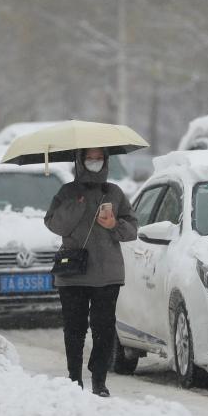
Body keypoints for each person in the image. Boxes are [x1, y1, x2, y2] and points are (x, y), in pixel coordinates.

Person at [44, 147, 137, 396]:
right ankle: (74, 378)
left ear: (106, 161)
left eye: (99, 158)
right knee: (74, 328)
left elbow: (133, 230)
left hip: (107, 274)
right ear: (80, 160)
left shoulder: (114, 193)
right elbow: (54, 224)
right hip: (73, 273)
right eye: (89, 158)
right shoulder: (67, 192)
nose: (94, 162)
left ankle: (99, 380)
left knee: (104, 328)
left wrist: (114, 224)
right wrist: (77, 204)